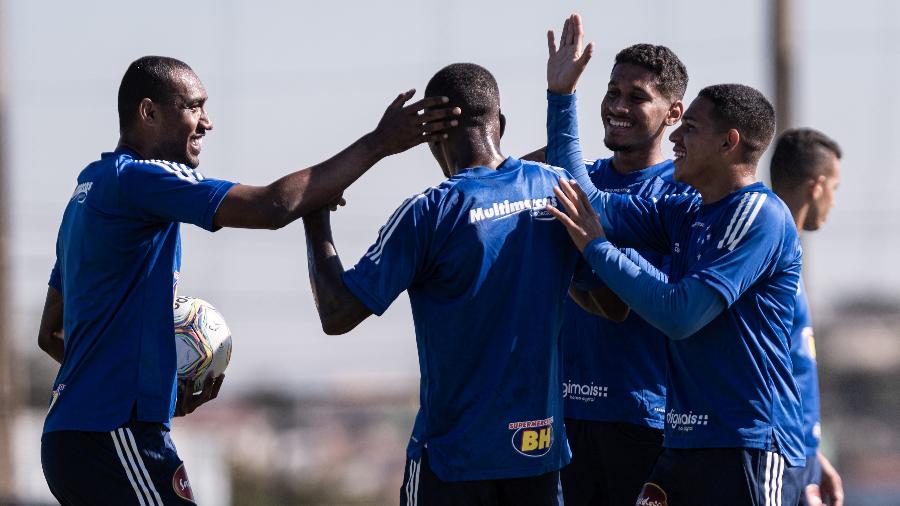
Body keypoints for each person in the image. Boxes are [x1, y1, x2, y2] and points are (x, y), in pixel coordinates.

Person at [37, 55, 458, 506]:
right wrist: (378, 143)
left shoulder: (85, 194)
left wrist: (151, 386)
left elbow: (51, 333)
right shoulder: (142, 179)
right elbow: (272, 206)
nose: (207, 123)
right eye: (193, 107)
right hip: (112, 434)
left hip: (72, 432)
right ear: (149, 112)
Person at [302, 38, 608, 502]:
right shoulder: (558, 191)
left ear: (433, 136)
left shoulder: (430, 213)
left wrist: (315, 219)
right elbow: (608, 301)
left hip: (455, 463)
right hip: (539, 458)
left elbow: (338, 314)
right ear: (500, 124)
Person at [543, 15, 807, 504]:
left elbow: (681, 314)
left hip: (747, 444)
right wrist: (561, 98)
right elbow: (588, 202)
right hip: (684, 443)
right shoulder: (684, 210)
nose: (678, 139)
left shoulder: (759, 215)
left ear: (728, 143)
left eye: (691, 128)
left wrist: (596, 250)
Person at [550, 43, 694, 506]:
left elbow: (617, 304)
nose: (617, 106)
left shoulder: (682, 193)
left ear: (674, 113)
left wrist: (559, 97)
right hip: (563, 419)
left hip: (643, 421)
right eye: (613, 91)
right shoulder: (581, 178)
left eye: (636, 97)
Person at [770, 128, 844, 506]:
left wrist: (813, 456)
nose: (834, 201)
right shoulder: (763, 254)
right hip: (777, 458)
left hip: (799, 458)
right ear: (817, 186)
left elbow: (792, 368)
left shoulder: (788, 254)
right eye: (835, 187)